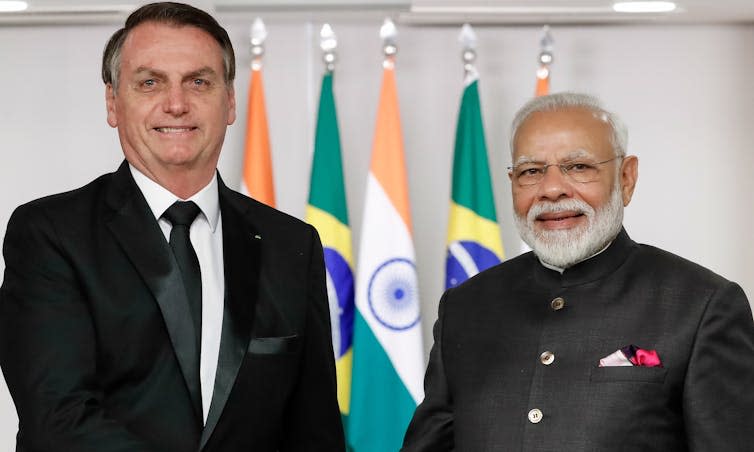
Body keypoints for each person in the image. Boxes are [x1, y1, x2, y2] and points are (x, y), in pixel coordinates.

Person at [0, 3, 343, 451]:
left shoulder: (292, 245)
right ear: (112, 103)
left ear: (230, 101)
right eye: (150, 82)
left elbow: (314, 432)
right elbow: (58, 417)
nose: (177, 104)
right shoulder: (49, 234)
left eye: (199, 82)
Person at [402, 92, 754, 451]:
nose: (552, 189)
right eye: (531, 171)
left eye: (578, 167)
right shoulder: (466, 306)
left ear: (626, 178)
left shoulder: (702, 306)